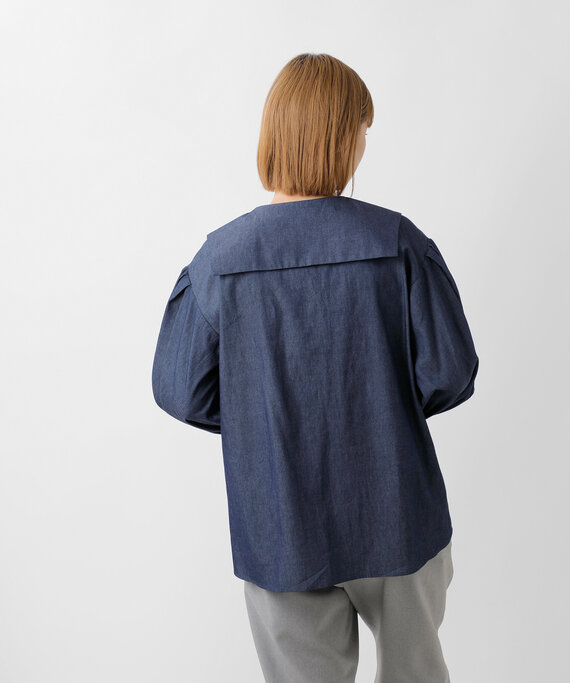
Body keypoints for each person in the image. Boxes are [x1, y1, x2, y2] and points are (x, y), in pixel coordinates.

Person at [152, 52, 479, 683]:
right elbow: (450, 373)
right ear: (341, 137)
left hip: (281, 523)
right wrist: (380, 404)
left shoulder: (220, 260)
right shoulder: (398, 243)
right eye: (362, 131)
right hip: (397, 512)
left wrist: (261, 414)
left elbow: (180, 390)